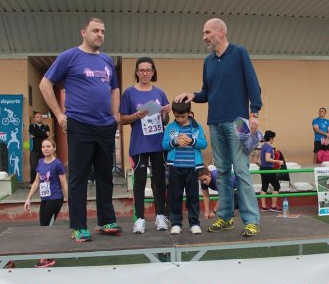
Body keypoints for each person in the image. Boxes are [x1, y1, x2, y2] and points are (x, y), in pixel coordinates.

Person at [174, 18, 262, 237]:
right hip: (215, 122)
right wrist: (192, 95)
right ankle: (225, 217)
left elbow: (253, 84)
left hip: (239, 122)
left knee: (241, 171)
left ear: (221, 32)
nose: (204, 37)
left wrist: (254, 113)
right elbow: (207, 92)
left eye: (207, 32)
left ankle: (251, 221)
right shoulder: (209, 62)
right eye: (204, 33)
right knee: (221, 172)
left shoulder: (239, 53)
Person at [39, 17, 121, 243]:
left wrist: (115, 115)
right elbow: (45, 84)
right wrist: (58, 115)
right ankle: (78, 227)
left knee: (106, 176)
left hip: (105, 127)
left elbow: (114, 89)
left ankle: (106, 221)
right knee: (78, 178)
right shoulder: (70, 57)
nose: (100, 35)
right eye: (95, 30)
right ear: (83, 32)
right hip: (80, 125)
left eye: (103, 31)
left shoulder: (106, 60)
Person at [119, 57, 171, 234]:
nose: (145, 73)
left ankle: (160, 216)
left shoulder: (160, 92)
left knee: (159, 181)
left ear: (153, 71)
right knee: (140, 181)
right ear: (136, 72)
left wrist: (164, 112)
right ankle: (139, 218)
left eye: (149, 70)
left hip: (158, 143)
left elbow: (166, 120)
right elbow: (122, 118)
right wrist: (137, 115)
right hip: (140, 144)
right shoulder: (129, 93)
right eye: (142, 70)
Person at [162, 100, 207, 234]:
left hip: (193, 168)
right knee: (175, 196)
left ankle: (194, 223)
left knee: (192, 196)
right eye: (177, 117)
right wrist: (175, 142)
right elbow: (164, 145)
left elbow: (203, 144)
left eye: (183, 116)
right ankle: (176, 223)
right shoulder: (170, 127)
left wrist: (192, 141)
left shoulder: (196, 127)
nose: (180, 120)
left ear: (189, 113)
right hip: (175, 167)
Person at [24, 139, 68, 267]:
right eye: (43, 146)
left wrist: (68, 199)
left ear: (54, 148)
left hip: (55, 198)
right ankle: (47, 255)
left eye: (48, 146)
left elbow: (64, 183)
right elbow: (37, 181)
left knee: (45, 226)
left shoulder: (57, 164)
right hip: (44, 198)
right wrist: (28, 198)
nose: (45, 148)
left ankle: (46, 257)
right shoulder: (40, 162)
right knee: (44, 226)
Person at [259, 130, 284, 212]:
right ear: (270, 138)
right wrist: (278, 161)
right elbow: (267, 159)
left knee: (264, 187)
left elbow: (261, 160)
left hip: (262, 169)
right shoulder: (269, 147)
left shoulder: (263, 146)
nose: (273, 140)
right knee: (277, 186)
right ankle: (273, 206)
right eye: (273, 138)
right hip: (268, 169)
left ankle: (263, 206)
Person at [28, 111, 50, 184]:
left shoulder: (46, 126)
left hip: (44, 149)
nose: (39, 118)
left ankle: (44, 181)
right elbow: (32, 134)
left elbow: (47, 134)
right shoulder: (32, 126)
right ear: (34, 118)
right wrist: (43, 134)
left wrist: (36, 134)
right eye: (37, 117)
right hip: (34, 149)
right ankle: (33, 182)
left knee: (45, 165)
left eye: (40, 117)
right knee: (34, 166)